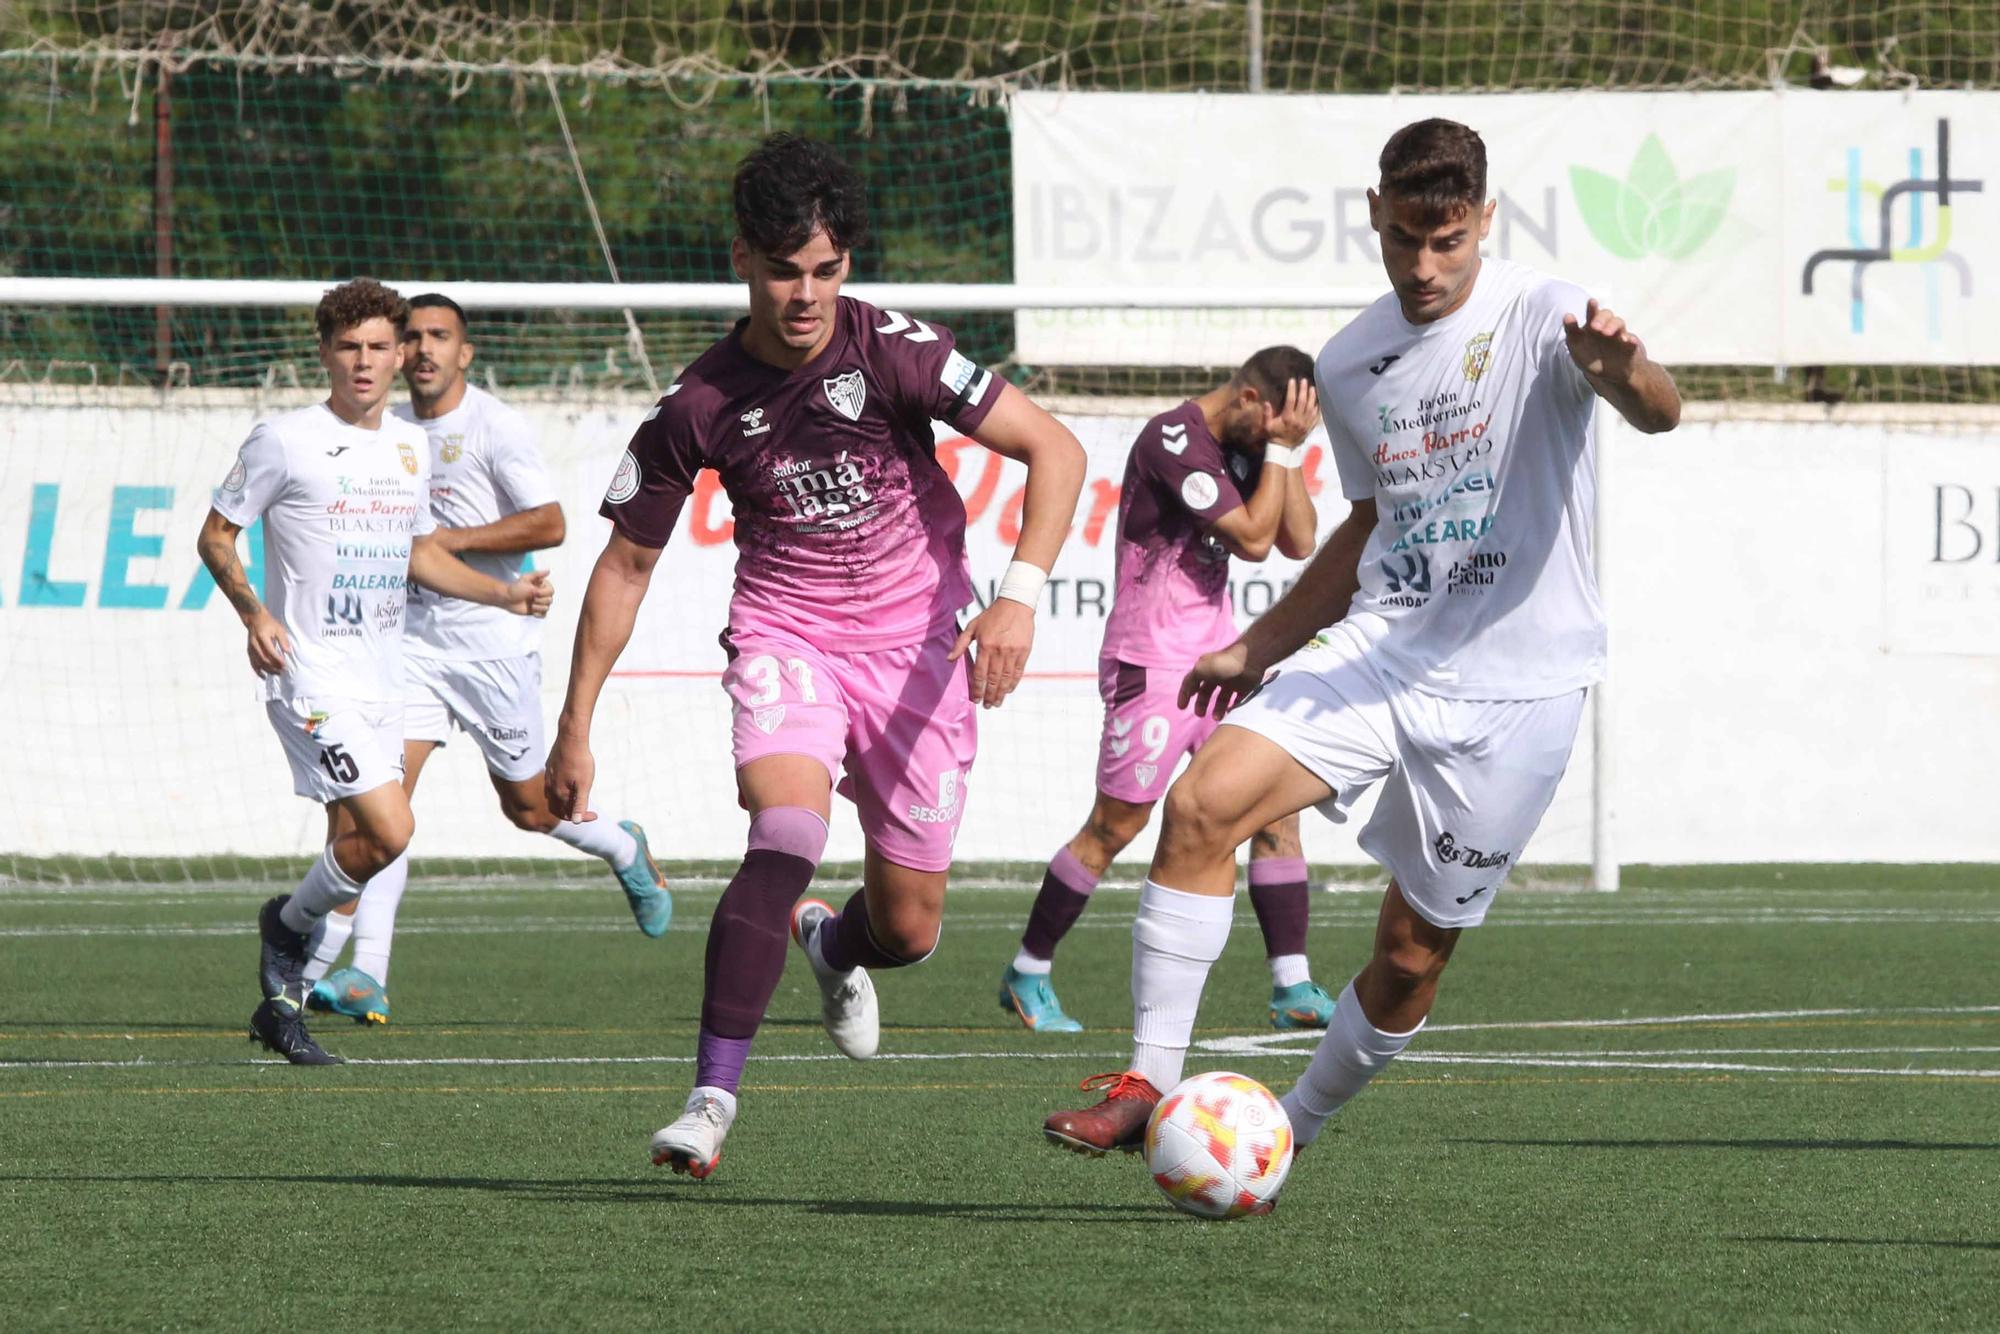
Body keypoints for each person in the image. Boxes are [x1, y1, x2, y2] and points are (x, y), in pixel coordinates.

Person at [1041, 117, 1680, 1154]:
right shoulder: (1347, 363)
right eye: (1402, 240)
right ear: (1373, 215)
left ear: (1481, 220)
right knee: (1202, 803)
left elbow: (1657, 411)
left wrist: (1624, 366)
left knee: (1410, 956)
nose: (1423, 267)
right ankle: (1141, 1083)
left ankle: (1285, 1128)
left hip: (1520, 689)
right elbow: (1370, 521)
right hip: (1384, 649)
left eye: (1447, 241)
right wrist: (1260, 643)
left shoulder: (1543, 312)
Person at [545, 134, 1086, 1177]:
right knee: (784, 828)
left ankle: (833, 945)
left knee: (912, 927)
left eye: (826, 269)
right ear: (741, 254)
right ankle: (709, 1100)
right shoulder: (698, 404)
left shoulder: (896, 350)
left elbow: (1053, 450)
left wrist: (1015, 600)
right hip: (786, 634)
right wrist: (575, 721)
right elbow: (622, 566)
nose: (805, 294)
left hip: (918, 651)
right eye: (785, 268)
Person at [195, 278, 553, 1065]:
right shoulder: (282, 439)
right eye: (349, 347)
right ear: (325, 353)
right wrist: (254, 611)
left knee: (363, 844)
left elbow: (420, 553)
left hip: (385, 677)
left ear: (399, 355)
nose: (365, 362)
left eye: (379, 347)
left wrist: (504, 593)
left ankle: (283, 1010)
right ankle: (286, 929)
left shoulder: (408, 446)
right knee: (393, 828)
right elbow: (217, 537)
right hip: (310, 673)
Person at [297, 293, 671, 1026]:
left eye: (441, 336)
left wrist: (450, 544)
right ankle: (364, 973)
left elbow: (551, 522)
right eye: (414, 337)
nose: (426, 349)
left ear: (465, 353)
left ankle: (620, 845)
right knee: (382, 805)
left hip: (493, 645)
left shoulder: (495, 425)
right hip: (408, 644)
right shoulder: (386, 430)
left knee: (530, 808)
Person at [999, 348, 1339, 1034]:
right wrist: (1276, 450)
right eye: (1275, 427)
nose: (1277, 442)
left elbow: (1298, 543)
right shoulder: (1172, 438)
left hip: (1224, 661)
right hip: (1150, 664)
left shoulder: (1260, 444)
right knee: (1116, 825)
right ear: (1248, 398)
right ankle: (1028, 971)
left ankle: (1292, 986)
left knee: (1274, 813)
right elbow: (1250, 540)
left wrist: (1286, 453)